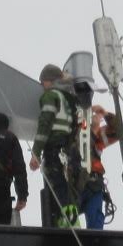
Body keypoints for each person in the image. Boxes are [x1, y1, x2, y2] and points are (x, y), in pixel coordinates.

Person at [30, 64, 83, 228]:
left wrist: (36, 153)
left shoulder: (50, 96)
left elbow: (45, 124)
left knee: (56, 185)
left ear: (48, 81)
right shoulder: (69, 100)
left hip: (54, 148)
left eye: (42, 81)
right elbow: (76, 125)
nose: (41, 85)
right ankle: (72, 221)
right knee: (66, 186)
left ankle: (63, 222)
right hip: (68, 149)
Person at [75, 84, 122, 231]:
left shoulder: (99, 135)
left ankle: (95, 245)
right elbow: (80, 146)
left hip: (94, 182)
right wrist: (92, 127)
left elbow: (119, 131)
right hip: (74, 182)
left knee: (95, 221)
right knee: (68, 218)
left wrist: (106, 114)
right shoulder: (73, 131)